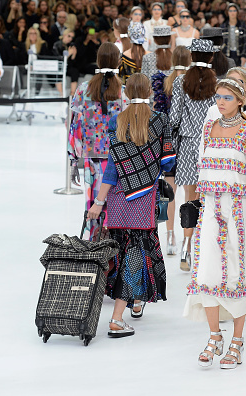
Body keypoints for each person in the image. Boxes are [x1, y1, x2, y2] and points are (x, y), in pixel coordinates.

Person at [87, 72, 175, 337]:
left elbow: (112, 168)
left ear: (126, 92)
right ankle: (116, 319)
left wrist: (99, 201)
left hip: (116, 199)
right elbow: (168, 161)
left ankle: (136, 301)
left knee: (125, 253)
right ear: (149, 91)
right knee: (138, 256)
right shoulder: (160, 120)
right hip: (143, 199)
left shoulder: (117, 121)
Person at [184, 78, 246, 369]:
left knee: (236, 272)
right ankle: (214, 335)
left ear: (241, 100)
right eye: (218, 97)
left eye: (227, 97)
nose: (220, 102)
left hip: (238, 209)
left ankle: (237, 341)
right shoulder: (209, 126)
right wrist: (194, 202)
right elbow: (200, 168)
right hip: (209, 208)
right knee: (206, 270)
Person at [68, 43, 127, 241]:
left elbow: (75, 128)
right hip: (118, 160)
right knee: (116, 208)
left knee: (92, 207)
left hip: (91, 159)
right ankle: (113, 256)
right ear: (118, 62)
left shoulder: (83, 89)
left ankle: (93, 251)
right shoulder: (124, 93)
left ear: (98, 60)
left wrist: (73, 160)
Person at [170, 38, 218, 271]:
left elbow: (174, 118)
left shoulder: (181, 81)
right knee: (209, 199)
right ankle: (204, 248)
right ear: (210, 57)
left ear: (191, 56)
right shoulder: (217, 83)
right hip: (211, 144)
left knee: (190, 199)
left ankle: (186, 248)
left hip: (188, 145)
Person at [160, 46, 191, 255]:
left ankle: (170, 235)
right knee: (190, 194)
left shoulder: (164, 82)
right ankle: (187, 240)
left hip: (168, 142)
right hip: (188, 142)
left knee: (169, 193)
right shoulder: (192, 83)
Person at [221, 2, 246, 67]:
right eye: (230, 11)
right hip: (226, 54)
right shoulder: (223, 27)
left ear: (237, 12)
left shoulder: (242, 26)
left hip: (239, 54)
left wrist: (244, 55)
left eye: (234, 10)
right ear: (227, 12)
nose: (232, 13)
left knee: (237, 74)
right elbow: (221, 42)